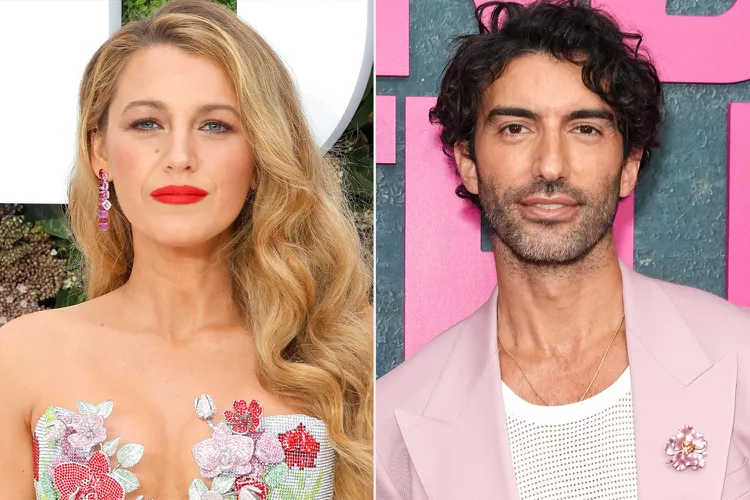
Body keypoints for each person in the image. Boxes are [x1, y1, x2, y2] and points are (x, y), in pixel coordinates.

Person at [376, 1, 750, 499]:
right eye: (515, 128)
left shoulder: (738, 357)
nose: (551, 166)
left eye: (585, 129)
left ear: (629, 165)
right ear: (468, 162)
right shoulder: (391, 426)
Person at [0, 1, 373, 498]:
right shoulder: (21, 358)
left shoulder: (342, 355)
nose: (179, 157)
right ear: (100, 152)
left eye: (215, 125)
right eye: (147, 123)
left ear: (260, 156)